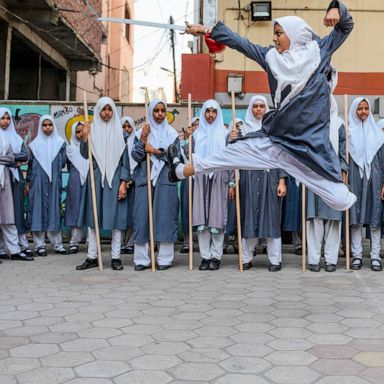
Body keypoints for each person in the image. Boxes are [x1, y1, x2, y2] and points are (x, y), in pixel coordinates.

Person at [168, 1, 356, 212]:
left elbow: (346, 27)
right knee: (229, 154)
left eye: (279, 33)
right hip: (276, 141)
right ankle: (179, 170)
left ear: (295, 34)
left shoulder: (319, 51)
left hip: (308, 149)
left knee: (341, 200)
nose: (274, 38)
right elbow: (240, 42)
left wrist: (336, 8)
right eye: (274, 34)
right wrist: (206, 30)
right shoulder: (270, 57)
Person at [232, 96, 287, 272]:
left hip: (270, 177)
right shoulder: (242, 130)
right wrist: (232, 139)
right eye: (255, 106)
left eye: (261, 106)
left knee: (271, 219)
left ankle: (275, 260)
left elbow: (281, 156)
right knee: (248, 217)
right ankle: (246, 258)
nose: (258, 109)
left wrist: (282, 180)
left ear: (266, 108)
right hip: (248, 177)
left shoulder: (275, 129)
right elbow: (233, 154)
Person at [76, 97, 131, 271]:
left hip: (114, 180)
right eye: (103, 109)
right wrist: (85, 137)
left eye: (109, 109)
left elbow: (125, 162)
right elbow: (86, 155)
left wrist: (123, 183)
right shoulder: (91, 131)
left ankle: (116, 257)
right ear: (98, 111)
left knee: (116, 220)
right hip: (96, 179)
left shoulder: (121, 134)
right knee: (93, 219)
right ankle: (92, 256)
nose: (107, 113)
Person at [306, 70, 347, 272]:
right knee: (314, 220)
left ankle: (331, 260)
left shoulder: (339, 125)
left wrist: (344, 173)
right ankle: (313, 259)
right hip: (314, 174)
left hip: (333, 176)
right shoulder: (310, 124)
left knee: (333, 219)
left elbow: (342, 153)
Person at [132, 99, 179, 271]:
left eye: (162, 110)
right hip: (145, 180)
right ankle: (142, 259)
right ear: (150, 112)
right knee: (142, 217)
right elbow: (135, 157)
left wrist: (154, 151)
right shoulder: (140, 133)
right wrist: (143, 139)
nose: (159, 114)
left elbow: (175, 157)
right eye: (156, 111)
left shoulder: (172, 134)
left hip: (165, 179)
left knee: (165, 217)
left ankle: (164, 259)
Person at [191, 100, 229, 271]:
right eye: (208, 111)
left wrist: (232, 183)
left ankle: (216, 256)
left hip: (220, 177)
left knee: (217, 218)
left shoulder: (226, 134)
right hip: (201, 178)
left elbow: (231, 160)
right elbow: (190, 158)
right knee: (202, 219)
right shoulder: (196, 135)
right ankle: (205, 256)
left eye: (214, 111)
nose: (211, 115)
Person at [348, 97, 384, 271]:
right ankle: (356, 255)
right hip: (355, 180)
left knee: (375, 218)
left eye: (366, 109)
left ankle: (375, 256)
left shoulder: (378, 135)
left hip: (374, 181)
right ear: (354, 110)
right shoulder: (349, 134)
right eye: (359, 109)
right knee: (356, 218)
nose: (363, 112)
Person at [27, 115, 67, 256]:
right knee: (38, 210)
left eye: (50, 125)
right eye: (44, 125)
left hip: (54, 182)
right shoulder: (34, 145)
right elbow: (30, 165)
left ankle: (57, 244)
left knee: (54, 211)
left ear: (53, 126)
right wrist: (28, 183)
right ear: (40, 127)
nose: (47, 127)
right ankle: (39, 245)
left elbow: (62, 163)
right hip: (38, 182)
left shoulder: (60, 143)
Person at [0, 109, 32, 262]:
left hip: (8, 178)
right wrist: (12, 159)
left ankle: (14, 250)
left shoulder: (13, 138)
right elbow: (14, 158)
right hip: (5, 175)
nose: (5, 121)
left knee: (8, 216)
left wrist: (8, 159)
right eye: (2, 118)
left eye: (7, 118)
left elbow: (25, 156)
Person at [64, 122, 88, 254]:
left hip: (89, 179)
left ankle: (91, 241)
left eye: (82, 131)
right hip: (75, 179)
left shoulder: (91, 146)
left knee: (90, 209)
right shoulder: (70, 148)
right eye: (77, 132)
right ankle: (74, 242)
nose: (80, 134)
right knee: (75, 209)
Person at [179, 117, 199, 254]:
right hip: (189, 178)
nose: (196, 127)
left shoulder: (205, 139)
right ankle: (187, 241)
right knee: (187, 210)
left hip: (202, 177)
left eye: (198, 125)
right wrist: (187, 139)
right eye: (194, 125)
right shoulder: (183, 142)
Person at [120, 116, 137, 255]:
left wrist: (131, 178)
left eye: (129, 127)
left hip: (134, 182)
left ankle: (130, 243)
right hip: (120, 182)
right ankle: (121, 243)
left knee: (132, 214)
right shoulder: (117, 142)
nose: (126, 129)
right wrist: (123, 179)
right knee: (121, 214)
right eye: (123, 127)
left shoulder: (136, 143)